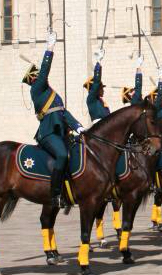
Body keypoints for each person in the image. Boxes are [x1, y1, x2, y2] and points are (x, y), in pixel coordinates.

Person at [22, 31, 85, 208]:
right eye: (39, 76)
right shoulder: (36, 90)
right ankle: (55, 195)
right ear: (34, 79)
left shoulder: (51, 94)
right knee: (62, 155)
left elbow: (63, 112)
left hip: (60, 130)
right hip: (48, 133)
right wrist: (50, 48)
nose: (42, 77)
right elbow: (44, 72)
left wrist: (78, 127)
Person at [84, 49, 110, 123]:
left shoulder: (100, 100)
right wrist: (98, 62)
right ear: (96, 89)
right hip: (99, 126)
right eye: (101, 88)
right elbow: (96, 82)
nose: (103, 90)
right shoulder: (91, 98)